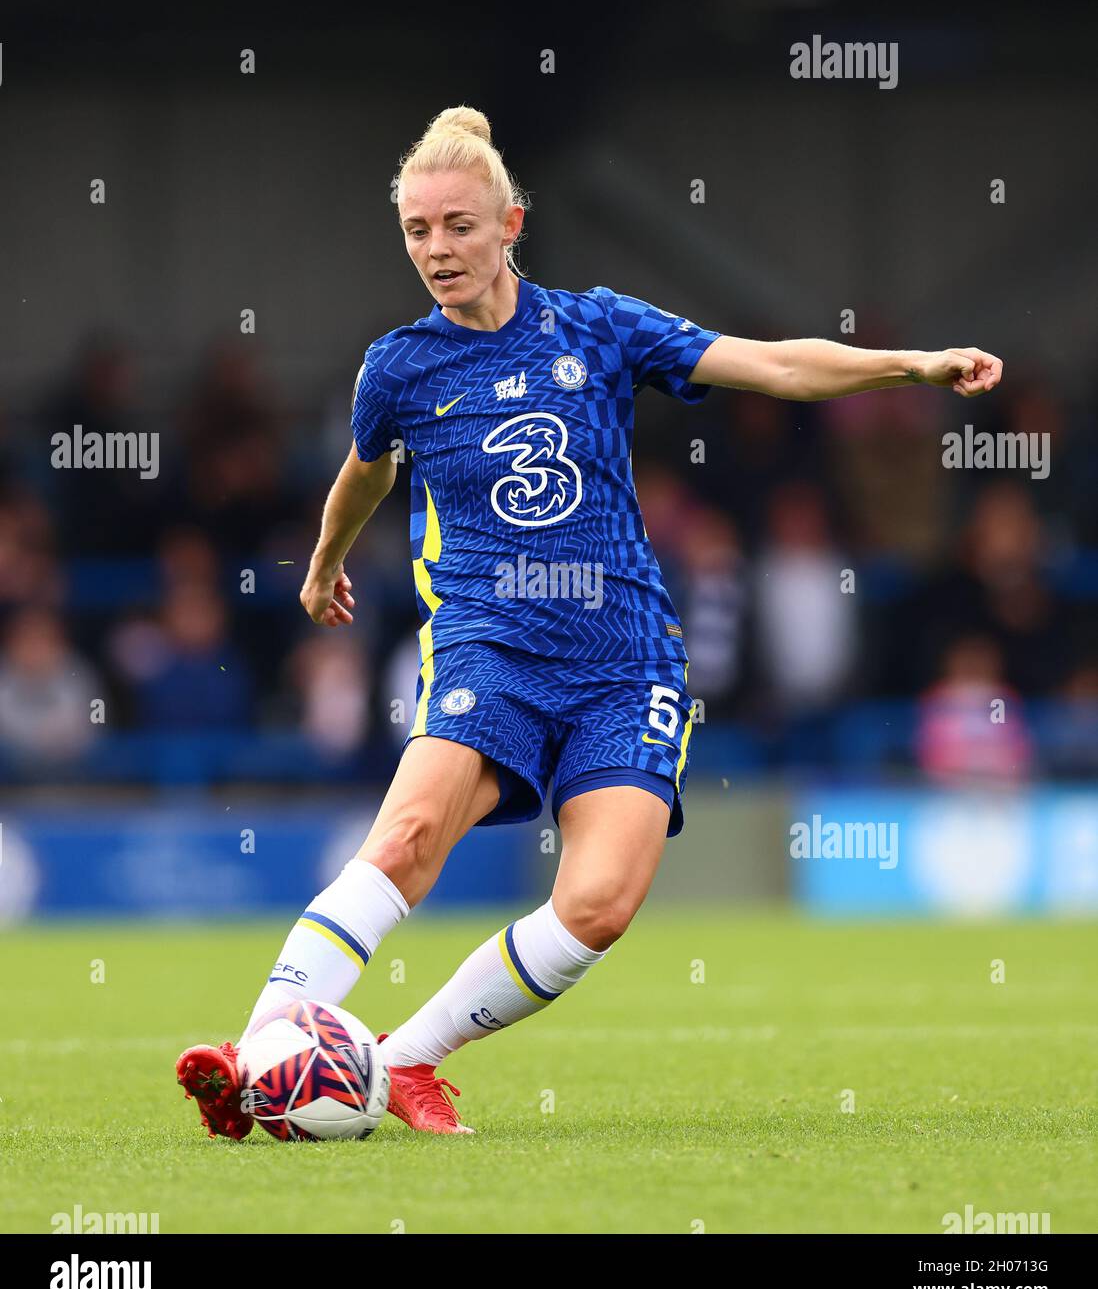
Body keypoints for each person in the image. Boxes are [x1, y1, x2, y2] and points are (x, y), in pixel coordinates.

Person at [176, 104, 1002, 1138]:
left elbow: (779, 364)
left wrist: (914, 365)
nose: (437, 249)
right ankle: (250, 1061)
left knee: (601, 902)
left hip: (626, 662)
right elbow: (365, 472)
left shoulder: (598, 327)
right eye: (418, 231)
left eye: (459, 226)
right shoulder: (398, 366)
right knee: (408, 835)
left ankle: (407, 1057)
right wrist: (324, 566)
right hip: (491, 643)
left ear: (512, 221)